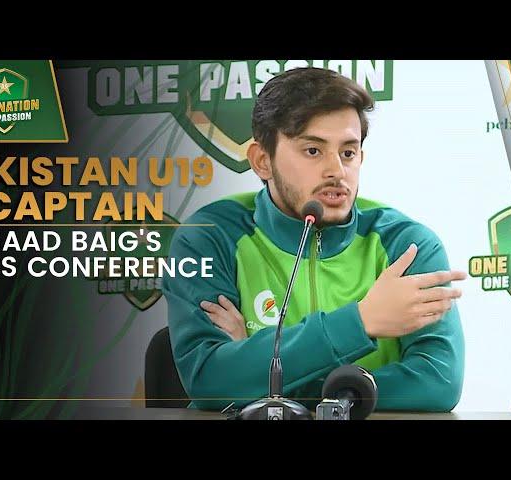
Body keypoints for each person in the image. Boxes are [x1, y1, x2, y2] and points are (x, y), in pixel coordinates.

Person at [162, 67, 466, 412]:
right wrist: (362, 322)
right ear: (263, 161)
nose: (336, 170)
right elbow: (211, 382)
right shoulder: (209, 237)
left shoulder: (407, 246)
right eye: (313, 151)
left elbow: (439, 383)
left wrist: (263, 379)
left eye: (348, 153)